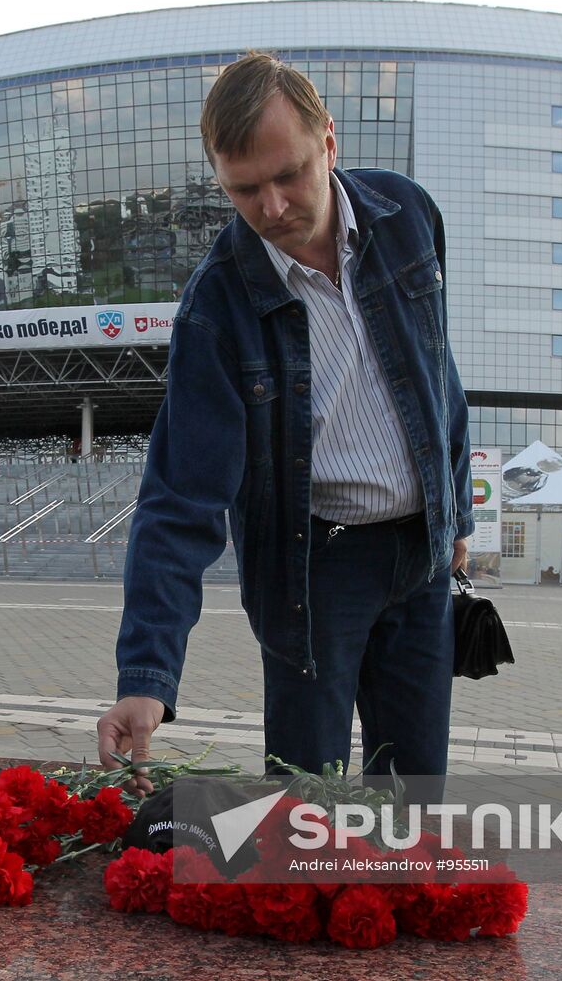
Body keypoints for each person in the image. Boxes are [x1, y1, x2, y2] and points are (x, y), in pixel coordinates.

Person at [96, 54, 472, 799]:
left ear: (328, 141)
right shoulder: (217, 308)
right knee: (310, 798)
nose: (270, 207)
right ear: (218, 181)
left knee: (414, 789)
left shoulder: (406, 216)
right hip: (314, 569)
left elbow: (438, 377)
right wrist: (146, 676)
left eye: (288, 175)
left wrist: (456, 509)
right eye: (243, 189)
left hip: (421, 554)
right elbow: (179, 497)